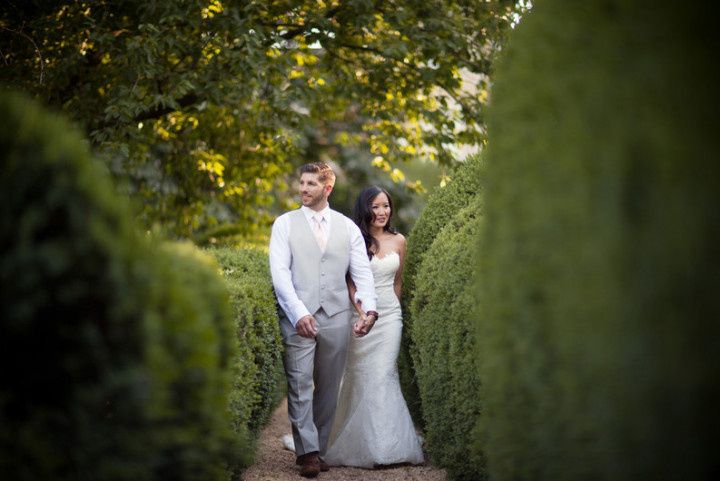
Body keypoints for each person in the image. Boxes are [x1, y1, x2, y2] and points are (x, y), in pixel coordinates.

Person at [269, 162, 379, 478]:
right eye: (301, 183)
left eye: (311, 184)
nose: (303, 189)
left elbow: (362, 275)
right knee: (300, 383)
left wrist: (368, 309)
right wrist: (298, 312)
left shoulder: (347, 228)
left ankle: (319, 447)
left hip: (336, 315)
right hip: (297, 316)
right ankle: (308, 454)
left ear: (327, 188)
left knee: (329, 388)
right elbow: (280, 274)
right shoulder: (284, 224)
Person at [323, 186, 425, 468]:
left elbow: (397, 283)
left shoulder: (400, 240)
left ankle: (387, 446)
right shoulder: (354, 240)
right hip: (359, 316)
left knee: (383, 374)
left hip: (390, 318)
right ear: (365, 209)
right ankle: (358, 443)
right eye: (376, 207)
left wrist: (393, 312)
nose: (382, 212)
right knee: (358, 376)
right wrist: (362, 313)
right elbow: (349, 283)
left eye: (386, 206)